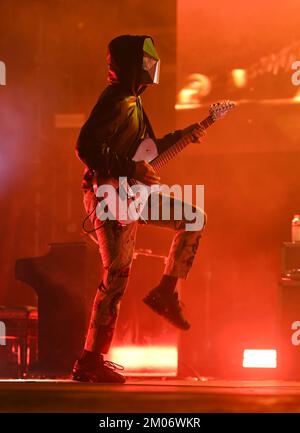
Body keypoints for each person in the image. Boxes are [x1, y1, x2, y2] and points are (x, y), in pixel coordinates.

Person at [72, 35, 206, 384]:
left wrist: (186, 134)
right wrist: (131, 170)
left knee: (192, 217)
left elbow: (145, 152)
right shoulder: (117, 100)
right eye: (146, 59)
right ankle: (89, 360)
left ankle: (165, 291)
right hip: (109, 195)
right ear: (132, 64)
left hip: (127, 194)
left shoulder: (131, 102)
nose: (152, 65)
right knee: (116, 276)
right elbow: (86, 145)